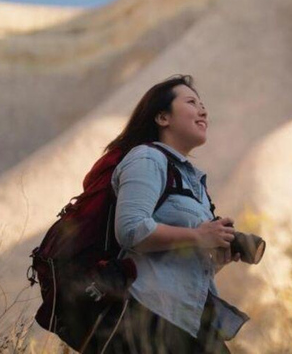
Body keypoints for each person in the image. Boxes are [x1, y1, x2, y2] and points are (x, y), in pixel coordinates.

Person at [90, 74, 249, 354]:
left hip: (190, 316)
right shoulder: (147, 158)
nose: (203, 110)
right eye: (191, 102)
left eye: (202, 104)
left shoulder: (191, 180)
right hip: (151, 315)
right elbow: (131, 230)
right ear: (163, 118)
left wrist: (214, 256)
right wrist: (200, 235)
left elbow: (175, 260)